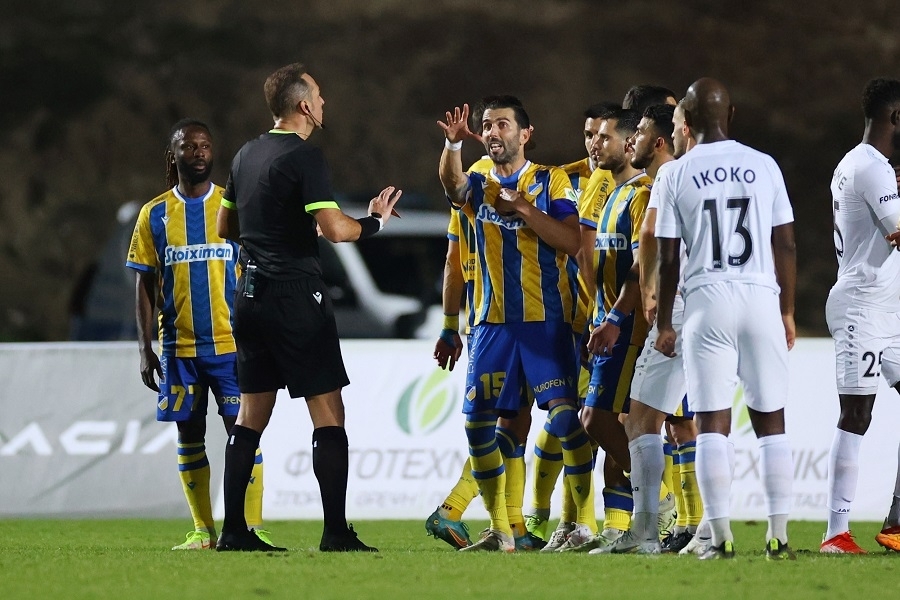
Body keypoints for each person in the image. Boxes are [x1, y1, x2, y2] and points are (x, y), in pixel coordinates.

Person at [215, 62, 402, 552]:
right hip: (295, 296)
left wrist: (279, 230)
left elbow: (224, 228)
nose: (323, 103)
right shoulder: (305, 156)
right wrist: (375, 221)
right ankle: (335, 532)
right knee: (328, 411)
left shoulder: (245, 154)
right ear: (303, 106)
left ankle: (233, 531)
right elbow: (338, 230)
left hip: (249, 296)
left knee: (250, 415)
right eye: (318, 96)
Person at [438, 96, 595, 552]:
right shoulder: (478, 181)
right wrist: (452, 146)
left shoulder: (551, 180)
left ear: (525, 134)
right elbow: (452, 185)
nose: (493, 132)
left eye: (503, 124)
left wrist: (525, 209)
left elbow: (572, 241)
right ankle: (502, 530)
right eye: (487, 125)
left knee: (565, 421)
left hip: (547, 321)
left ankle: (582, 524)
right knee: (479, 428)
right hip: (491, 325)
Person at [654, 78, 797, 560]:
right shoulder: (765, 164)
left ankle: (719, 537)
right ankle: (779, 536)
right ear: (730, 114)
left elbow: (667, 258)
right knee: (771, 422)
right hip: (760, 295)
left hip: (706, 299)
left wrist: (664, 323)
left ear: (687, 122)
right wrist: (787, 310)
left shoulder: (675, 173)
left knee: (711, 422)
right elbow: (786, 242)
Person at [126, 119, 272, 550]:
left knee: (244, 434)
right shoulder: (154, 214)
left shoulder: (232, 207)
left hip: (230, 346)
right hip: (178, 350)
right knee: (189, 436)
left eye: (205, 146)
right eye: (189, 146)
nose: (199, 153)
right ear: (173, 155)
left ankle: (251, 526)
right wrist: (145, 349)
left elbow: (257, 268)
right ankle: (202, 531)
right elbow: (144, 284)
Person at [591, 103, 702, 554]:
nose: (631, 139)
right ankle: (713, 531)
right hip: (728, 308)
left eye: (638, 131)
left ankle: (648, 529)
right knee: (709, 422)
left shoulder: (668, 178)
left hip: (678, 313)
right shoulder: (742, 171)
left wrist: (649, 299)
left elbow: (650, 241)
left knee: (641, 422)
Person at [821, 77, 900, 554]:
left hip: (886, 308)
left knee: (861, 412)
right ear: (896, 117)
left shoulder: (867, 165)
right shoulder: (869, 166)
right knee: (857, 414)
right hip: (861, 305)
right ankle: (835, 533)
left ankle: (897, 521)